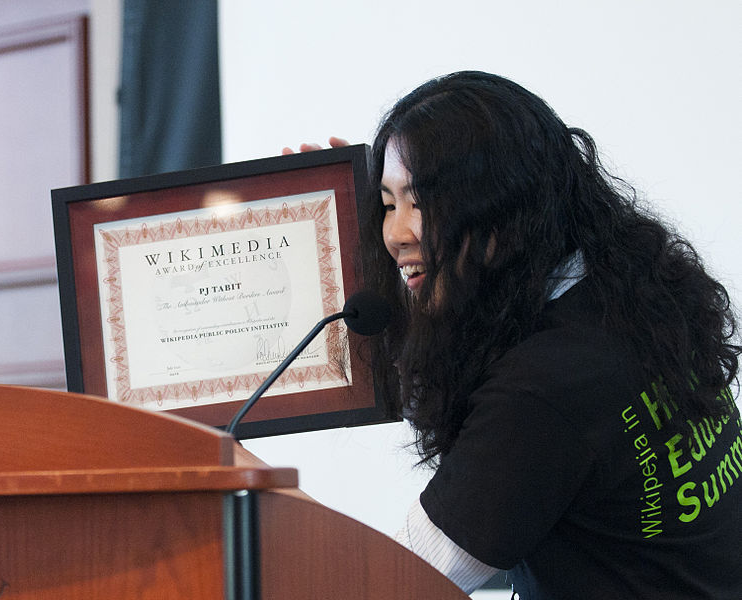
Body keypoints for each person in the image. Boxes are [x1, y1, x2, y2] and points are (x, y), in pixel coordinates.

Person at [278, 71, 742, 598]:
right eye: (387, 204)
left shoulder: (544, 389)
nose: (395, 233)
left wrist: (245, 487)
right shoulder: (620, 288)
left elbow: (397, 582)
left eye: (422, 202)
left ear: (502, 205)